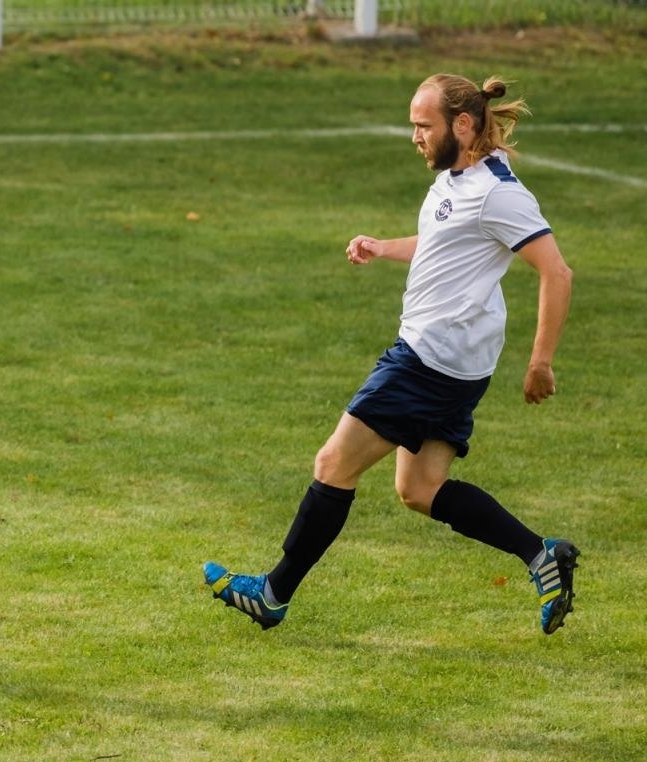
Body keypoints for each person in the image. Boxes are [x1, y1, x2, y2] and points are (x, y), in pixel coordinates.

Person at [204, 73, 578, 634]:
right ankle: (540, 554)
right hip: (456, 363)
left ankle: (273, 594)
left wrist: (541, 361)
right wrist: (384, 247)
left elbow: (557, 271)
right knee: (419, 490)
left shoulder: (498, 193)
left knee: (333, 465)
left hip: (427, 359)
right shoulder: (457, 179)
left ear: (462, 124)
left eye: (423, 126)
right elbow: (445, 245)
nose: (415, 137)